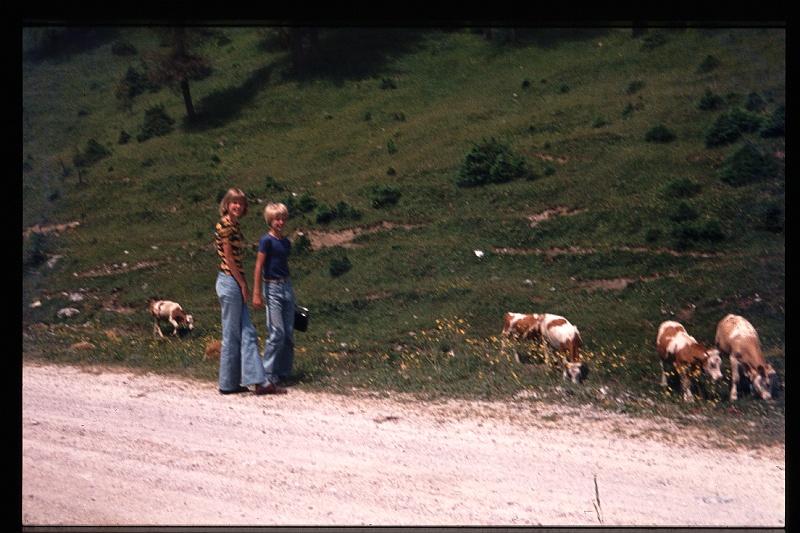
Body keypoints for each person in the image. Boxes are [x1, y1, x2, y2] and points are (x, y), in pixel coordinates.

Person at [215, 189, 287, 395]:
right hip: (230, 281)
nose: (238, 206)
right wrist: (243, 284)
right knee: (235, 334)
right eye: (234, 202)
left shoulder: (232, 225)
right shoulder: (226, 226)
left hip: (231, 282)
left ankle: (237, 382)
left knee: (245, 333)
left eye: (241, 203)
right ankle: (248, 383)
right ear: (227, 204)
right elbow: (229, 259)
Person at [253, 202, 296, 387]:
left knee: (288, 333)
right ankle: (267, 374)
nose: (280, 222)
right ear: (270, 221)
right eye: (277, 219)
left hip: (286, 286)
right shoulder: (266, 241)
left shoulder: (286, 242)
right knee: (277, 332)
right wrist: (257, 293)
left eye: (283, 218)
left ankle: (283, 373)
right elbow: (259, 266)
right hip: (272, 288)